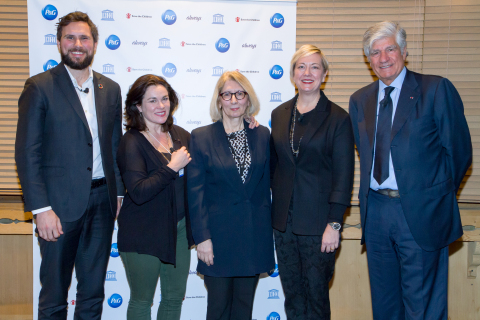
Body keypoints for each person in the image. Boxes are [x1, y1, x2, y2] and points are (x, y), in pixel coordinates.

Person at [349, 21, 472, 319]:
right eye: (375, 52)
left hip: (420, 212)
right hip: (376, 214)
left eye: (390, 48)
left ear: (404, 50)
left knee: (424, 308)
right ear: (368, 59)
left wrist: (430, 195)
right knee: (386, 305)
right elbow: (363, 153)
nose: (384, 58)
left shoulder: (435, 89)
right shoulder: (359, 100)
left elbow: (459, 152)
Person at [15, 11, 124, 319]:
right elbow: (27, 152)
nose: (77, 44)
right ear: (60, 44)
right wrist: (40, 209)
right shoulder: (39, 87)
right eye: (70, 38)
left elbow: (114, 146)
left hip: (102, 203)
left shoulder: (110, 89)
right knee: (54, 295)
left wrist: (118, 194)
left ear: (94, 44)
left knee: (92, 293)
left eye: (84, 38)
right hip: (57, 208)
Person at [270, 44, 354, 320]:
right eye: (301, 66)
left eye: (315, 67)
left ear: (324, 74)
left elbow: (344, 176)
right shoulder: (279, 114)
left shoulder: (338, 118)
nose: (308, 73)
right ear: (293, 74)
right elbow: (275, 165)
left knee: (316, 299)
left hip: (319, 226)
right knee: (293, 298)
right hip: (284, 224)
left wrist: (334, 223)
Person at [188, 71, 275, 320]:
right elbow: (196, 194)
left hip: (252, 238)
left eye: (240, 93)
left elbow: (265, 185)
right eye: (227, 94)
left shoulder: (262, 135)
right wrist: (202, 238)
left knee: (243, 311)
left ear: (248, 99)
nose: (234, 100)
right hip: (217, 240)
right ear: (219, 100)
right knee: (218, 310)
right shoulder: (201, 137)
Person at [116, 74, 194, 320]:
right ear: (138, 106)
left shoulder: (181, 135)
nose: (161, 106)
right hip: (143, 231)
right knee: (142, 301)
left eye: (165, 99)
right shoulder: (131, 142)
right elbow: (138, 192)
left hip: (178, 230)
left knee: (173, 299)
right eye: (152, 101)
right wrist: (172, 167)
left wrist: (247, 119)